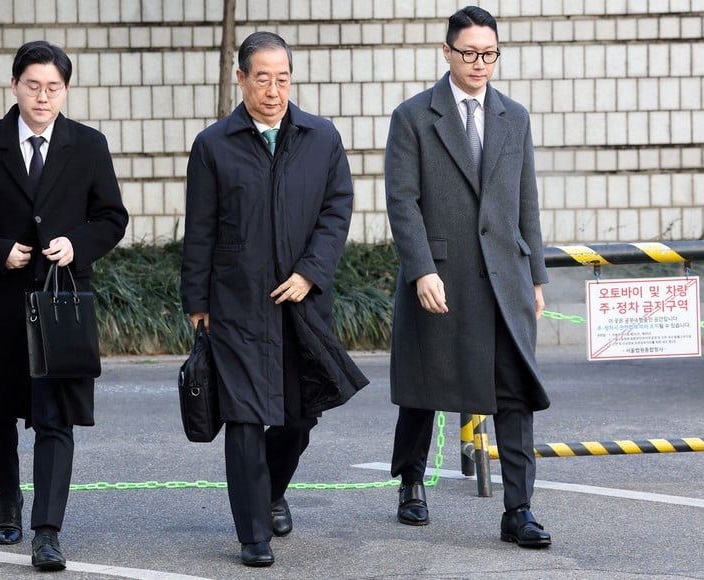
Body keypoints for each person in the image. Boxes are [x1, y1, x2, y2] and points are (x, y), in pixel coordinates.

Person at [0, 41, 128, 571]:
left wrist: (77, 244)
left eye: (53, 87)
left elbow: (112, 217)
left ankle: (47, 531)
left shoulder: (88, 146)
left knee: (55, 417)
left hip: (62, 303)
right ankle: (8, 497)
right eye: (33, 85)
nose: (43, 97)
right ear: (14, 85)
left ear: (66, 90)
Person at [180, 31, 367, 567]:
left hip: (299, 304)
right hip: (236, 304)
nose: (273, 90)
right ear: (241, 79)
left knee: (298, 417)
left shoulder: (320, 137)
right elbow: (200, 229)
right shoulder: (214, 145)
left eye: (282, 78)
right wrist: (197, 301)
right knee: (243, 418)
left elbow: (337, 209)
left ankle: (269, 491)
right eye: (261, 78)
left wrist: (311, 272)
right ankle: (253, 534)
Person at [384, 6, 552, 548]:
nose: (480, 63)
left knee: (515, 391)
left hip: (505, 278)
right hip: (441, 275)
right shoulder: (413, 116)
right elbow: (402, 202)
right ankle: (412, 482)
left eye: (489, 53)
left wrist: (536, 276)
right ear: (447, 52)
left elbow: (526, 202)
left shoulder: (514, 116)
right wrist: (420, 270)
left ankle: (518, 510)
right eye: (470, 53)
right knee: (424, 387)